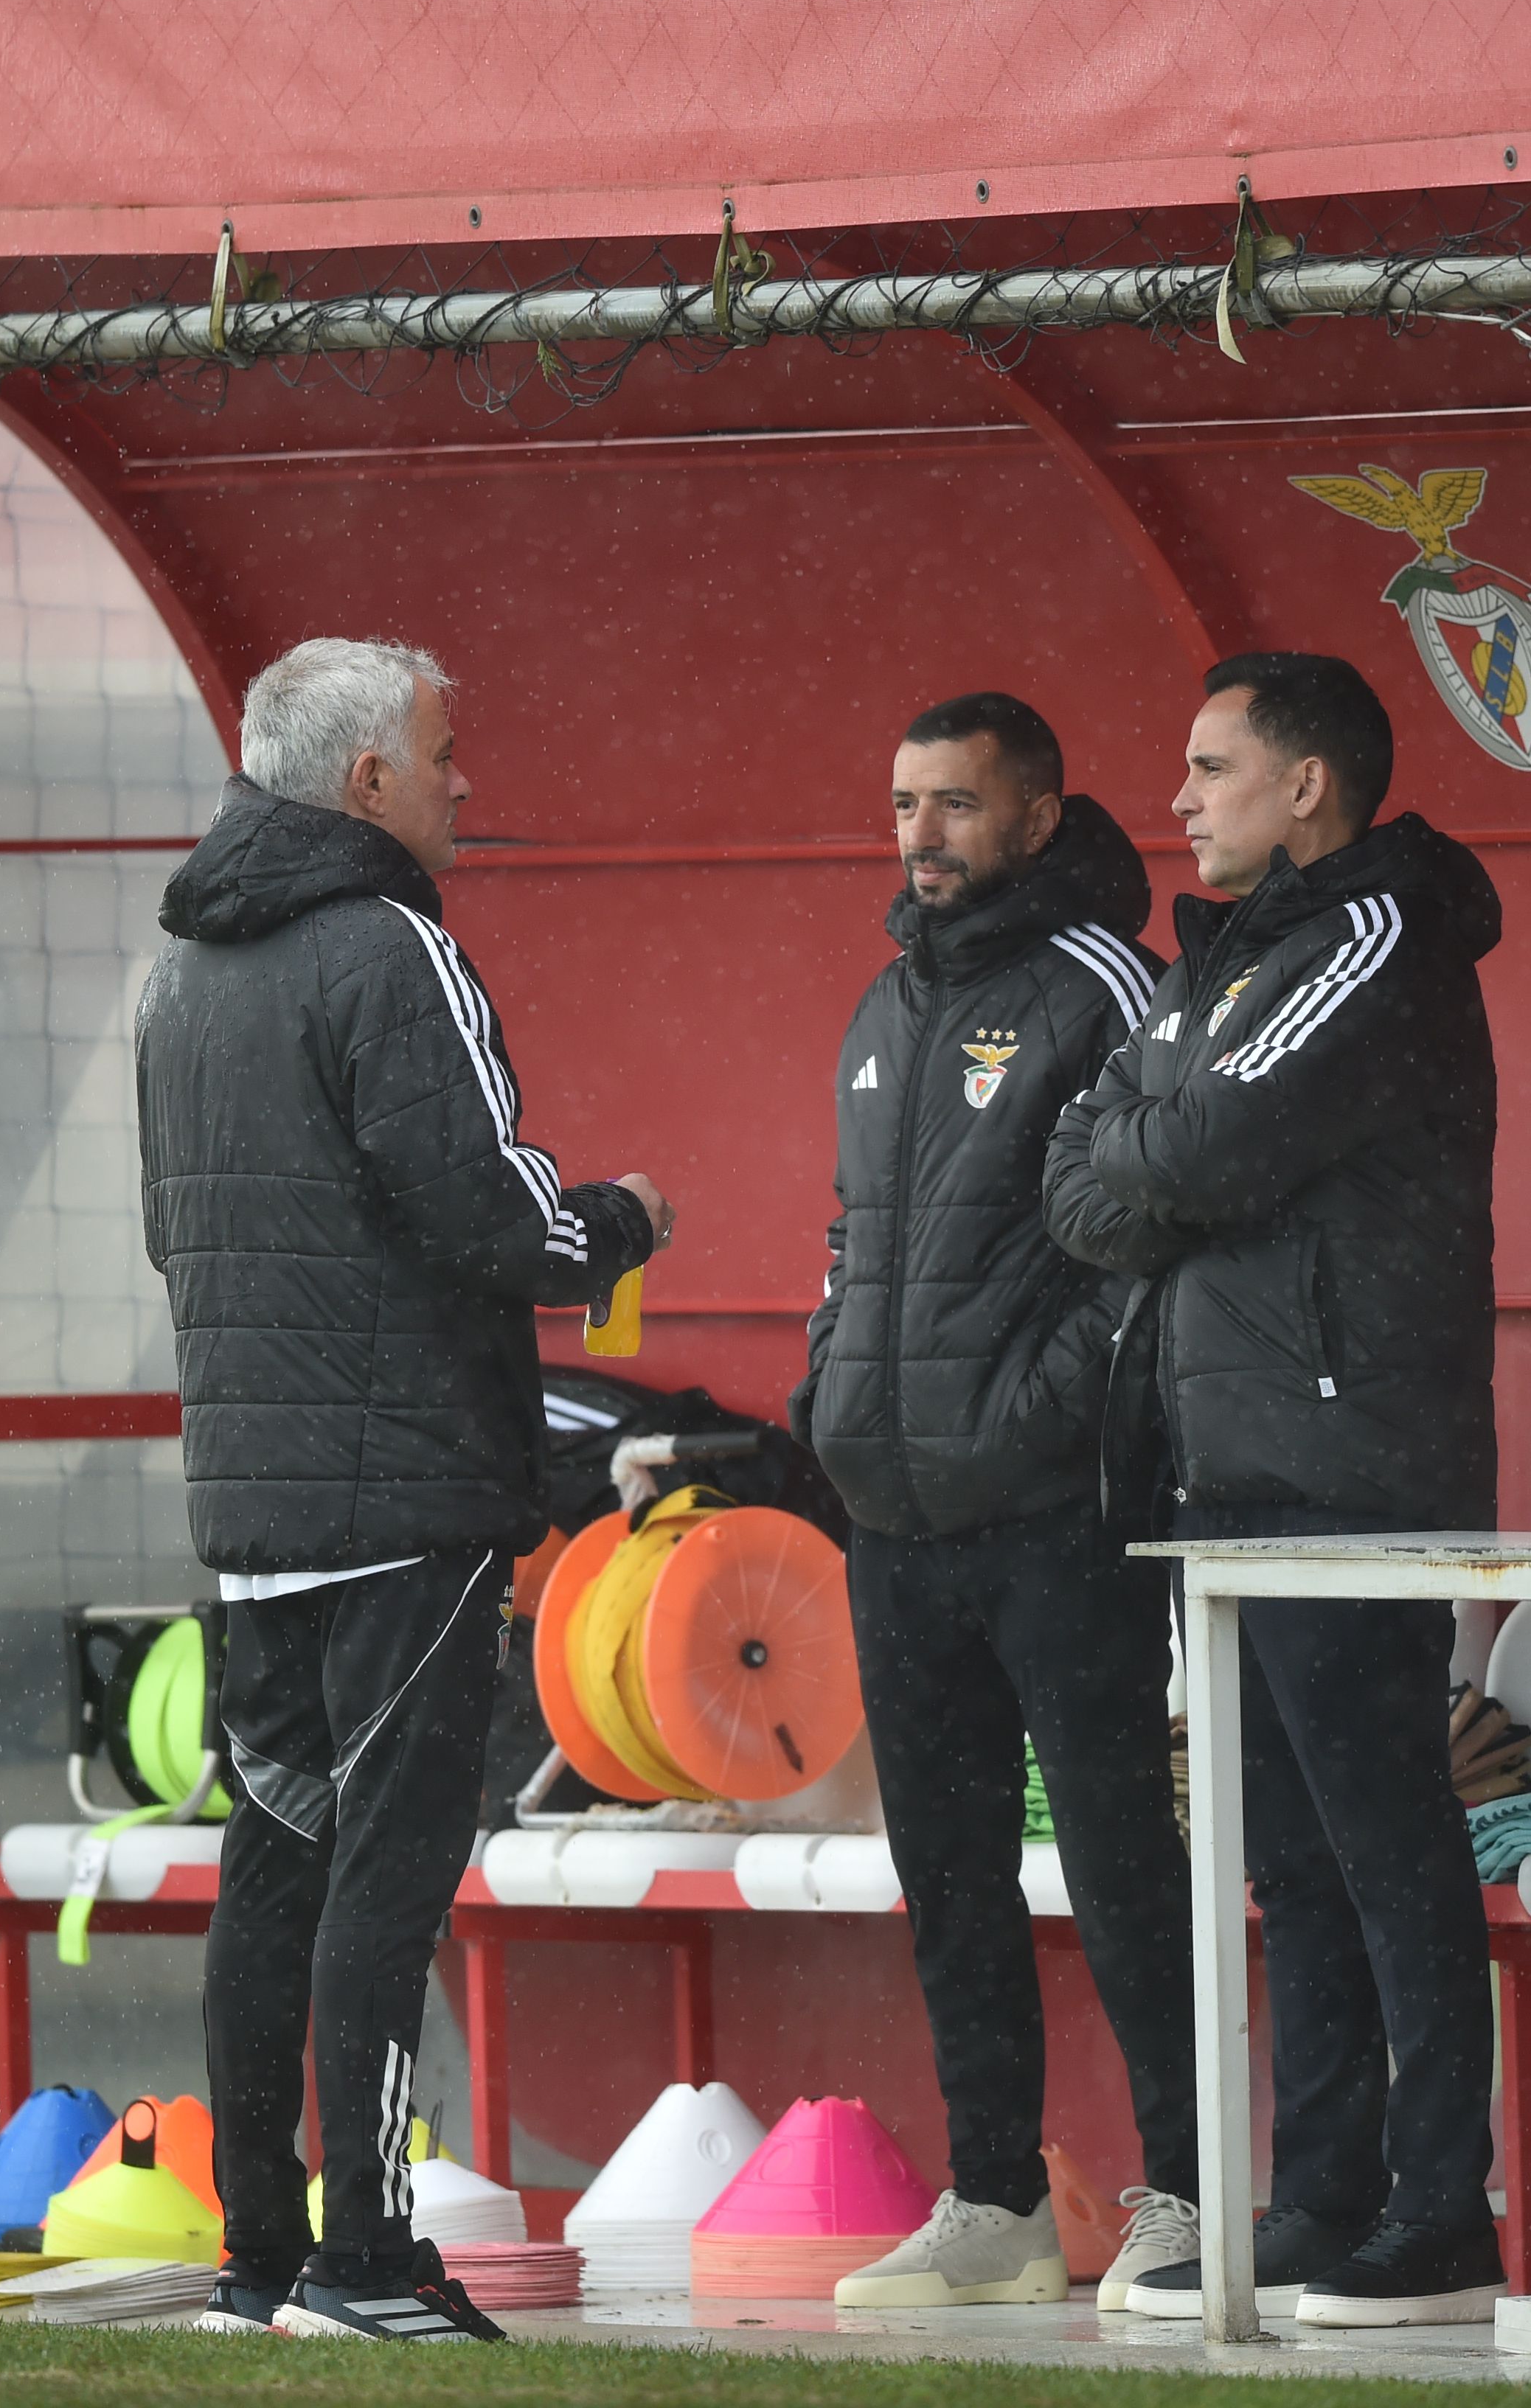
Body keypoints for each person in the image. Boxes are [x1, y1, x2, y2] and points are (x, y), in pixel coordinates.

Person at [137, 636, 671, 2343]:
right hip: (404, 1499)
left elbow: (182, 1234)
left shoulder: (182, 971)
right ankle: (369, 2259)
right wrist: (621, 1221)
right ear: (365, 778)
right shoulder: (390, 943)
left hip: (252, 1499)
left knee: (275, 1862)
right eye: (445, 751)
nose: (464, 782)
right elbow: (486, 1208)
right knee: (389, 1871)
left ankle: (258, 2256)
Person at [1045, 652, 1508, 2329]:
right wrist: (1152, 1162)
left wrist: (1154, 1165)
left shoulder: (1372, 935)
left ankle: (1439, 2209)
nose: (1177, 796)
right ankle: (1322, 2192)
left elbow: (1184, 1159)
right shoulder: (1223, 961)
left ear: (1307, 784)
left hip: (1348, 1464)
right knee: (1289, 1859)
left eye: (1210, 765)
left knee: (1383, 1839)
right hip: (1218, 1466)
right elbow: (1077, 1169)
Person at [793, 693, 1204, 2313]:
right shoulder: (885, 1000)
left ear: (1037, 816)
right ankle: (992, 2197)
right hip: (895, 1517)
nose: (920, 834)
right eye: (903, 802)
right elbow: (854, 1240)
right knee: (949, 1868)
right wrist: (832, 1395)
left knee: (1116, 1856)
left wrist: (1040, 1419)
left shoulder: (1107, 982)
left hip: (1054, 1516)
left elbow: (1153, 1239)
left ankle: (1180, 2188)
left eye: (955, 804)